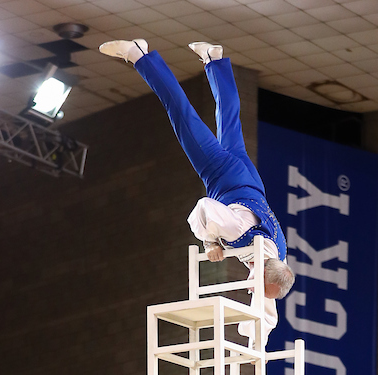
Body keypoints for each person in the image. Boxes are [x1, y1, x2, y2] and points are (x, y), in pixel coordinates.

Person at [97, 37, 294, 348]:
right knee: (181, 114)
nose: (251, 290)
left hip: (251, 182)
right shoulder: (240, 233)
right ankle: (138, 54)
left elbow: (267, 310)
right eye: (255, 287)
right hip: (223, 176)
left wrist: (257, 345)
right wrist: (210, 241)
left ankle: (214, 60)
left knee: (229, 120)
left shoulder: (277, 260)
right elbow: (204, 207)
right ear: (261, 273)